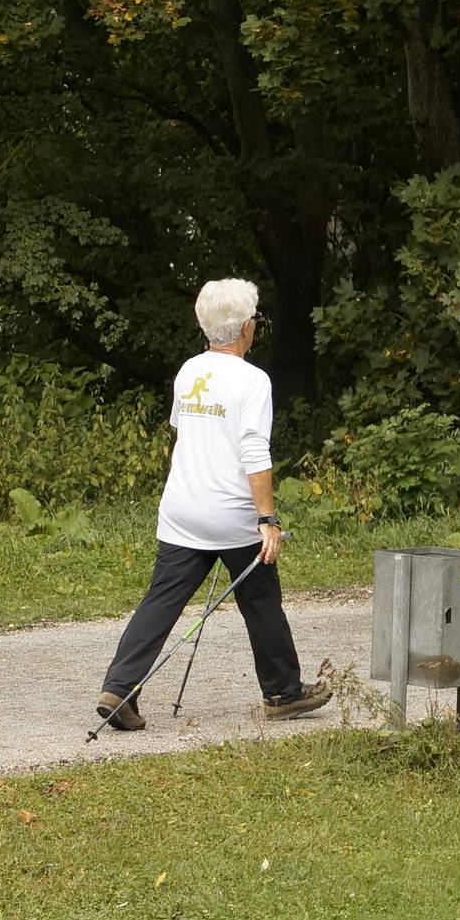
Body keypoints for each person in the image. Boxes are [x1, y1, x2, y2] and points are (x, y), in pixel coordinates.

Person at [94, 278, 330, 731]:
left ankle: (119, 688)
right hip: (232, 515)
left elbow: (186, 431)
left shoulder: (189, 370)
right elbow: (254, 450)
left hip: (182, 509)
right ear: (245, 328)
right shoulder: (253, 380)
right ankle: (283, 693)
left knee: (160, 601)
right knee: (261, 600)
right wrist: (267, 518)